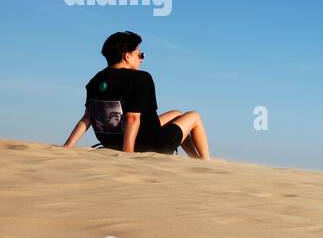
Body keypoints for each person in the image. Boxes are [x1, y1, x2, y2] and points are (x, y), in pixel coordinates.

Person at [61, 31, 211, 159]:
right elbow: (132, 118)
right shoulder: (141, 78)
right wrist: (128, 154)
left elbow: (88, 117)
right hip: (148, 146)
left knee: (177, 114)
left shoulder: (95, 80)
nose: (141, 59)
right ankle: (205, 162)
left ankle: (194, 159)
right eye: (140, 54)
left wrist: (68, 145)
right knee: (194, 116)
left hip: (113, 142)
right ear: (127, 56)